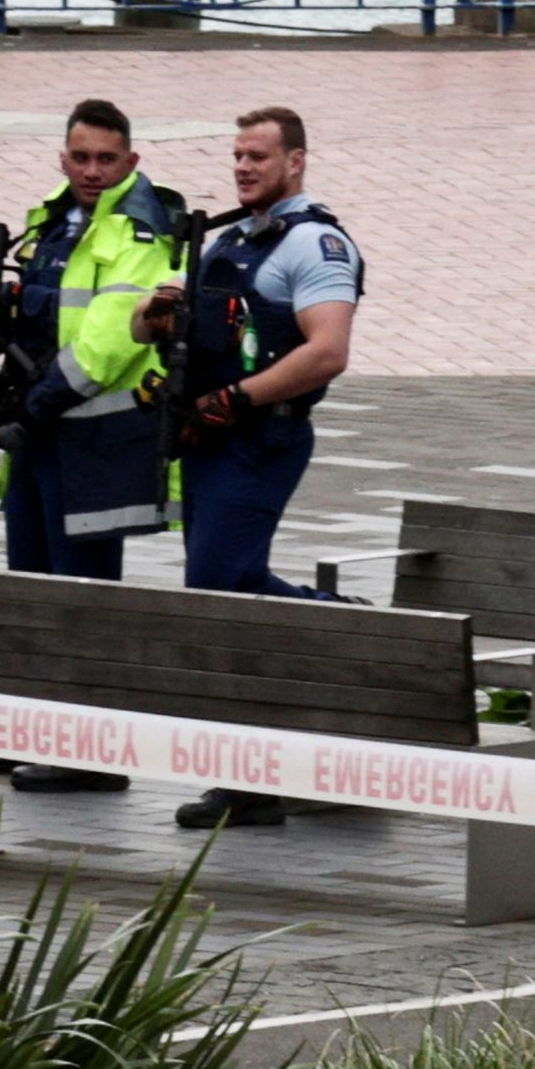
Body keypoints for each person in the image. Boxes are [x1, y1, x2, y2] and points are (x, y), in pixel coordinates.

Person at [146, 105, 364, 831]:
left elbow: (326, 351)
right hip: (211, 440)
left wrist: (234, 400)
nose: (243, 168)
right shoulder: (229, 239)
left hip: (260, 439)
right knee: (232, 592)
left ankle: (250, 776)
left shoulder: (317, 244)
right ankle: (338, 638)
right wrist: (162, 316)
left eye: (259, 158)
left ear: (295, 163)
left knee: (215, 592)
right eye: (238, 156)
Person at [0, 99, 187, 795]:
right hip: (40, 436)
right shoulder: (50, 217)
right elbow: (39, 305)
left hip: (95, 436)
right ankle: (33, 733)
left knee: (84, 598)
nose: (92, 171)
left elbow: (109, 338)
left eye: (107, 159)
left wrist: (39, 405)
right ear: (62, 157)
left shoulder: (139, 229)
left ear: (131, 162)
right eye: (80, 157)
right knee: (34, 587)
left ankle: (91, 754)